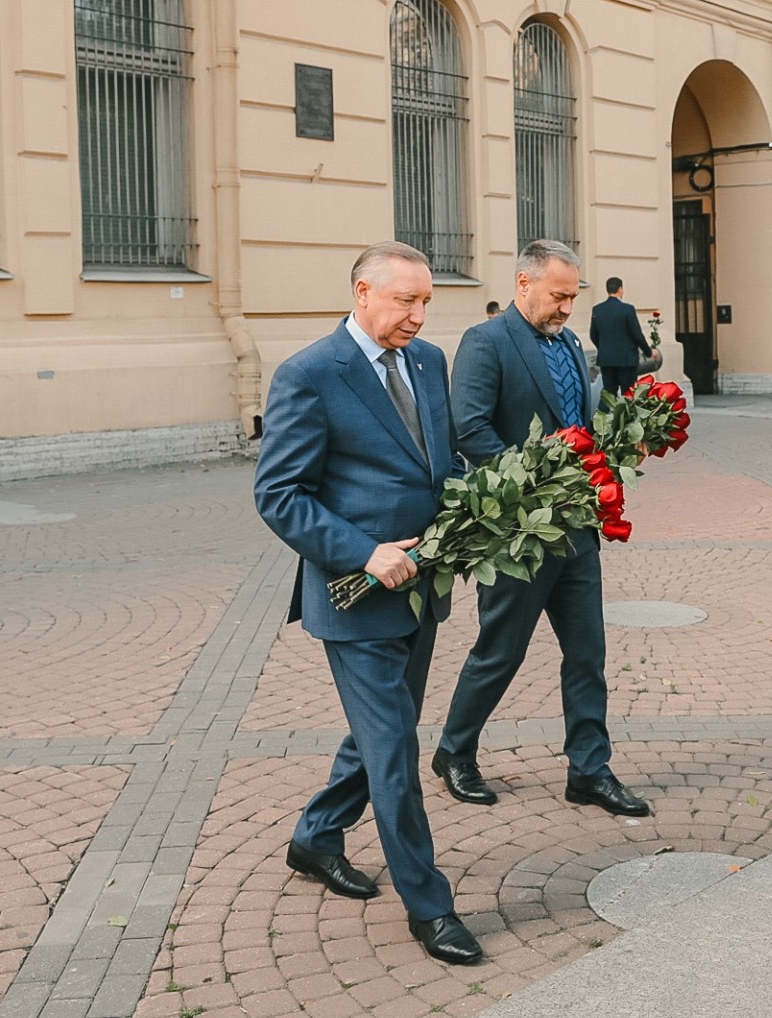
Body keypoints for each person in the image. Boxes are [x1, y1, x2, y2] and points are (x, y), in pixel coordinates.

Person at [253, 241, 482, 965]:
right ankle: (430, 907)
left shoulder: (428, 361)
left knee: (384, 727)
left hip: (422, 589)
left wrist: (482, 503)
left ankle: (316, 838)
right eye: (405, 301)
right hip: (354, 599)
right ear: (362, 292)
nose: (418, 316)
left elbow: (438, 463)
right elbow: (278, 495)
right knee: (394, 753)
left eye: (425, 304)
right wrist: (363, 551)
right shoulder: (310, 374)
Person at [433, 239, 653, 819]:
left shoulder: (574, 346)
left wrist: (622, 438)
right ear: (524, 284)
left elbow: (582, 418)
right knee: (499, 651)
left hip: (577, 529)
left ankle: (589, 769)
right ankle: (454, 752)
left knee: (588, 653)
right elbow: (470, 429)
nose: (565, 308)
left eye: (571, 298)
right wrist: (539, 475)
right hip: (518, 536)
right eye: (557, 296)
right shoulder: (486, 342)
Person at [589, 276, 654, 397]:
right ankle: (626, 416)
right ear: (620, 289)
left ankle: (607, 416)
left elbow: (593, 335)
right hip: (627, 360)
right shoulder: (627, 309)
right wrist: (648, 352)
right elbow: (637, 335)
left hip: (606, 359)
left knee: (609, 395)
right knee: (628, 394)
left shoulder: (597, 309)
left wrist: (604, 347)